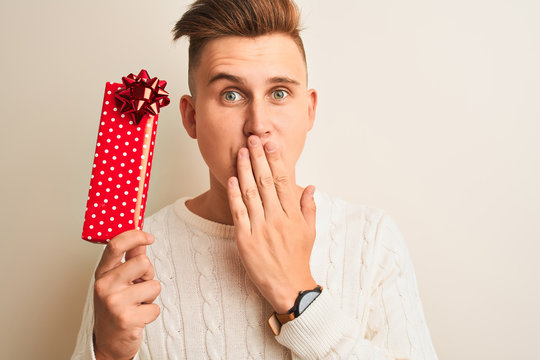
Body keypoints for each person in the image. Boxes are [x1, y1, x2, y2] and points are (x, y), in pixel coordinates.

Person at [72, 0, 439, 359]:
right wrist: (107, 353)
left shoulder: (372, 239)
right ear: (191, 117)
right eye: (231, 95)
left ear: (309, 110)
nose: (258, 124)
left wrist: (298, 296)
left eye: (279, 93)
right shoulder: (133, 256)